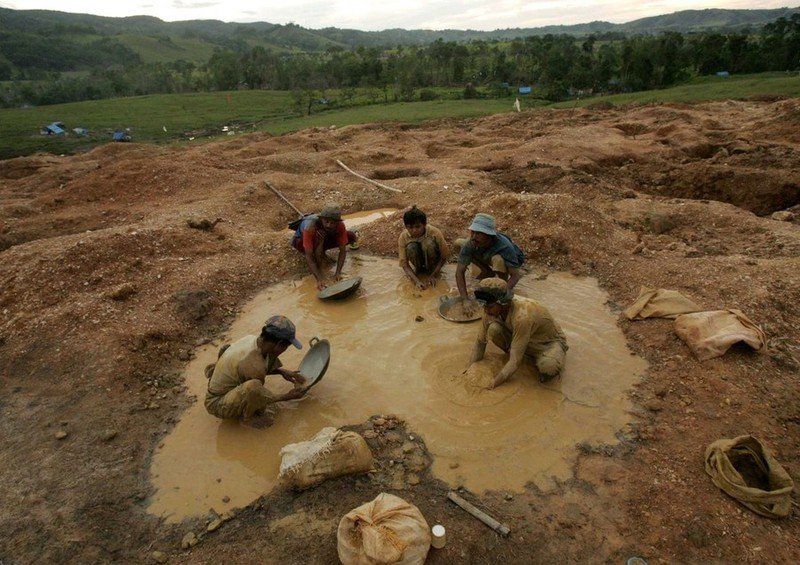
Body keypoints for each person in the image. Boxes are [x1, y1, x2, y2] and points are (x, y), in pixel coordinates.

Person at [205, 315, 308, 426]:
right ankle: (247, 418)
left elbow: (260, 361)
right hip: (216, 403)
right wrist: (288, 396)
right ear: (279, 344)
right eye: (285, 347)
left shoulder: (252, 340)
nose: (284, 350)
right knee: (254, 387)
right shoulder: (253, 365)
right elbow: (257, 392)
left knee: (229, 350)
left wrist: (282, 372)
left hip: (223, 383)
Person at [468, 278, 568, 388]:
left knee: (548, 367)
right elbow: (480, 343)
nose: (486, 311)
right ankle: (519, 352)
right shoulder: (489, 310)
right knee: (493, 329)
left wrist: (492, 384)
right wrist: (470, 369)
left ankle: (539, 360)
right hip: (522, 337)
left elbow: (514, 361)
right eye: (484, 306)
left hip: (546, 343)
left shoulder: (522, 316)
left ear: (503, 303)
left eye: (490, 307)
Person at [455, 213, 524, 300]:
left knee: (498, 260)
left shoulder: (504, 246)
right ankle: (487, 271)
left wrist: (500, 295)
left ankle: (502, 283)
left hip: (510, 259)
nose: (474, 237)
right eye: (473, 232)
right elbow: (459, 272)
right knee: (460, 243)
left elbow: (515, 276)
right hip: (487, 254)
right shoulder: (472, 242)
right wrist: (465, 299)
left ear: (489, 235)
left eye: (479, 233)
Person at [291, 203, 357, 290]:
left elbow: (342, 250)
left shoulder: (340, 225)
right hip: (302, 240)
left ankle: (321, 250)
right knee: (311, 251)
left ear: (337, 222)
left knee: (351, 236)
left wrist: (338, 273)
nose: (329, 225)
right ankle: (319, 258)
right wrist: (319, 279)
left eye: (332, 223)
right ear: (321, 219)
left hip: (324, 237)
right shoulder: (310, 227)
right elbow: (309, 257)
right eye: (326, 221)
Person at [397, 205, 450, 289]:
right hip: (418, 261)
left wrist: (433, 275)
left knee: (428, 243)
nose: (414, 230)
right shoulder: (403, 237)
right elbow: (405, 264)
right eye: (410, 227)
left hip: (433, 263)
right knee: (411, 247)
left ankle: (431, 270)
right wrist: (417, 281)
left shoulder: (434, 232)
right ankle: (419, 270)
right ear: (406, 226)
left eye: (417, 227)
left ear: (424, 224)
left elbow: (444, 257)